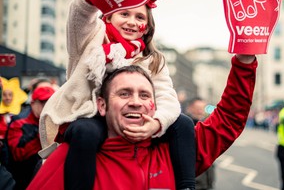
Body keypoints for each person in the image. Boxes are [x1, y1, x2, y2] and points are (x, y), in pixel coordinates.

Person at [39, 0, 195, 190]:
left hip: (135, 118)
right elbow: (80, 14)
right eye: (124, 13)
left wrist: (155, 124)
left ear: (146, 28)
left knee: (183, 123)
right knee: (85, 133)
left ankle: (187, 186)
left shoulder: (154, 60)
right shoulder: (89, 41)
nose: (131, 21)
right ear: (109, 17)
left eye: (139, 16)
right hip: (91, 117)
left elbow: (167, 99)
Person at [28, 54, 257, 189]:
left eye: (145, 95)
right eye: (124, 93)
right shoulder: (72, 156)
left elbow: (228, 119)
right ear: (102, 105)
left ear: (154, 107)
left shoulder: (177, 152)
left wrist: (245, 58)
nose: (136, 102)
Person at [5, 86, 55, 190]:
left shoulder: (55, 121)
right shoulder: (19, 122)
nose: (47, 106)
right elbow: (17, 155)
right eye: (43, 102)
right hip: (24, 181)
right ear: (33, 103)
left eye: (51, 101)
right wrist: (39, 133)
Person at [185, 97, 216, 190]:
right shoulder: (184, 127)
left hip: (206, 182)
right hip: (194, 183)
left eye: (202, 108)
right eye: (198, 108)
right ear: (190, 108)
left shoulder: (206, 125)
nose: (200, 111)